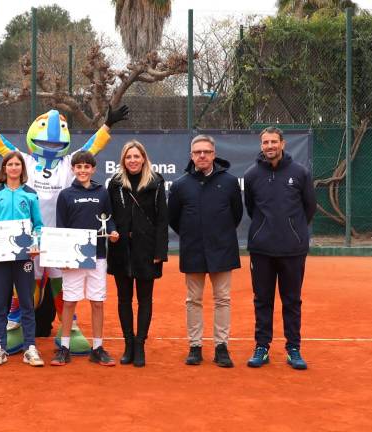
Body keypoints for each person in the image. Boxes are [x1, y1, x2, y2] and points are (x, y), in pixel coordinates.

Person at [0, 101, 128, 354]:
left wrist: (108, 125)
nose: (51, 144)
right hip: (27, 240)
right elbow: (2, 147)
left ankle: (68, 330)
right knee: (26, 287)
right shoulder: (25, 161)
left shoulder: (69, 164)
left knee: (62, 286)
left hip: (61, 238)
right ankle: (14, 327)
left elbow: (91, 147)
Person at [244, 126, 316, 370]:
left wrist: (293, 231)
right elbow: (251, 208)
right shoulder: (252, 175)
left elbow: (309, 208)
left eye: (274, 141)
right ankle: (262, 347)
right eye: (265, 142)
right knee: (262, 300)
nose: (270, 146)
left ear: (283, 144)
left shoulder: (300, 173)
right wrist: (265, 229)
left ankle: (293, 348)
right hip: (261, 250)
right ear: (261, 145)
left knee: (292, 301)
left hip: (292, 250)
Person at [168, 135, 243, 368]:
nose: (202, 155)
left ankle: (221, 347)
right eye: (197, 152)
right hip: (193, 250)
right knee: (193, 300)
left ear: (214, 154)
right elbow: (174, 218)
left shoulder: (229, 182)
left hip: (222, 249)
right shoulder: (180, 185)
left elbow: (236, 215)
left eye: (207, 152)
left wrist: (218, 235)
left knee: (223, 299)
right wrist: (193, 235)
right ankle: (195, 346)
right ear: (191, 156)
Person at [50, 151, 119, 367]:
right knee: (69, 302)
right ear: (73, 169)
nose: (82, 170)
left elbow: (109, 219)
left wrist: (114, 232)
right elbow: (61, 226)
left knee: (97, 302)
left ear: (93, 169)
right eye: (78, 166)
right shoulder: (66, 194)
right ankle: (64, 348)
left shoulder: (103, 193)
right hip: (74, 256)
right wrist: (63, 255)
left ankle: (97, 348)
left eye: (86, 167)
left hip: (98, 255)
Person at [107, 140, 168, 368]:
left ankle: (140, 344)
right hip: (120, 248)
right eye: (128, 157)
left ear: (143, 158)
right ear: (123, 160)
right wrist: (112, 230)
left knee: (144, 299)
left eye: (136, 156)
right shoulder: (114, 183)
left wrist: (160, 251)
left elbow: (163, 218)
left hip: (147, 249)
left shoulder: (156, 182)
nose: (133, 160)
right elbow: (108, 214)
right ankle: (128, 344)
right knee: (124, 299)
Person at [0, 151, 45, 367]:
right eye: (10, 164)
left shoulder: (30, 194)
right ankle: (0, 346)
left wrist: (36, 243)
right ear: (4, 168)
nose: (14, 167)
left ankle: (30, 347)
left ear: (22, 169)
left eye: (18, 164)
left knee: (27, 303)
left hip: (24, 258)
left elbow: (38, 224)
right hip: (0, 259)